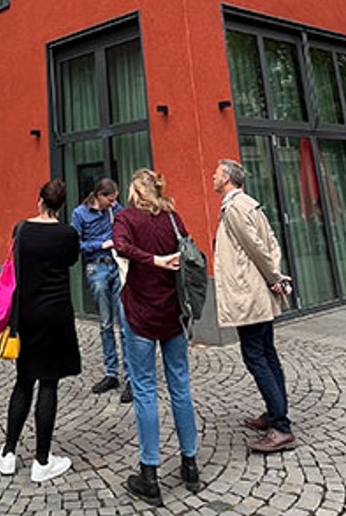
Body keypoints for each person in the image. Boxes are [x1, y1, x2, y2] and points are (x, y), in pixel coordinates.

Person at [113, 168, 202, 507]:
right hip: (173, 313)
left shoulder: (126, 218)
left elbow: (120, 247)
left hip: (140, 313)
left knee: (146, 389)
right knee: (180, 385)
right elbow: (189, 251)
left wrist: (152, 259)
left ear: (136, 190)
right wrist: (164, 259)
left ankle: (149, 473)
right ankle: (189, 463)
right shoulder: (173, 218)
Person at [0, 179, 82, 483]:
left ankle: (7, 453)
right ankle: (42, 460)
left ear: (39, 200)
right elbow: (71, 261)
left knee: (23, 382)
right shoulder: (68, 234)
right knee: (49, 385)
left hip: (26, 314)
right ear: (61, 205)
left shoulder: (21, 230)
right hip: (56, 313)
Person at [211, 159, 296, 454]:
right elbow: (271, 242)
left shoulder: (234, 207)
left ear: (228, 179)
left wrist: (274, 277)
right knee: (267, 353)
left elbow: (255, 247)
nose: (213, 177)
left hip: (248, 294)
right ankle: (275, 414)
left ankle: (281, 428)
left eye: (217, 174)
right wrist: (275, 274)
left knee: (256, 357)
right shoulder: (250, 203)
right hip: (258, 291)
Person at [69, 178, 132, 403]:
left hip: (117, 266)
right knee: (105, 324)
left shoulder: (115, 209)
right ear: (99, 196)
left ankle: (130, 377)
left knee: (125, 323)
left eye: (115, 200)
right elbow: (74, 244)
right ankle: (111, 373)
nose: (113, 203)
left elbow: (126, 224)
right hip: (97, 268)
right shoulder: (79, 214)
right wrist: (101, 244)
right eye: (111, 199)